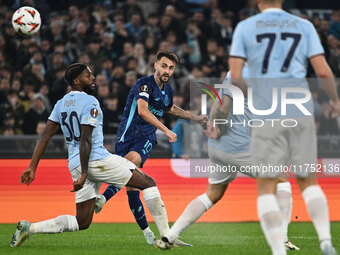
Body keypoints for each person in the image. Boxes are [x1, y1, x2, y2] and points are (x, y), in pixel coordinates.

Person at [10, 63, 172, 248]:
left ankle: (29, 228)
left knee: (82, 221)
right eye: (88, 76)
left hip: (75, 163)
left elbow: (45, 136)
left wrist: (32, 167)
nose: (93, 78)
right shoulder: (90, 102)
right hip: (94, 160)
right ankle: (168, 237)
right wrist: (86, 173)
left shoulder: (60, 104)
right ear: (77, 81)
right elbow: (86, 139)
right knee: (148, 183)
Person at [228, 0, 340, 254]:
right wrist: (334, 100)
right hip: (299, 110)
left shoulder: (245, 28)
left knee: (267, 185)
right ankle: (325, 240)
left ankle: (279, 250)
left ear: (258, 1)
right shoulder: (304, 25)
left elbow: (236, 78)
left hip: (266, 114)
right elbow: (322, 71)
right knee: (308, 181)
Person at [155, 67, 298, 251]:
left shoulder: (233, 73)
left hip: (218, 147)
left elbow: (219, 101)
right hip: (235, 145)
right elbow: (226, 104)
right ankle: (283, 238)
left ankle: (170, 236)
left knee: (213, 194)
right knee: (282, 179)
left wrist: (213, 123)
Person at [94, 51, 207, 245]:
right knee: (131, 184)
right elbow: (142, 110)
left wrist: (194, 117)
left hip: (145, 138)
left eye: (171, 68)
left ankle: (103, 199)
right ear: (155, 65)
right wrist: (167, 131)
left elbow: (170, 109)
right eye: (164, 66)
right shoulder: (144, 84)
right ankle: (147, 232)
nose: (167, 71)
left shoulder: (168, 91)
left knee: (130, 164)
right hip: (125, 137)